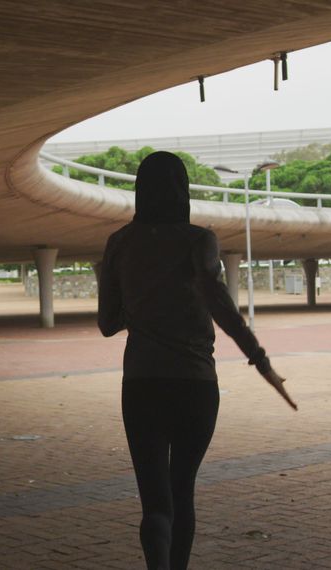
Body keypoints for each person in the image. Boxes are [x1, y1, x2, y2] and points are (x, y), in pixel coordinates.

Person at [96, 151, 297, 570]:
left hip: (142, 383)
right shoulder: (198, 240)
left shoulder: (120, 243)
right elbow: (219, 303)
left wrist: (122, 288)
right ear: (183, 190)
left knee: (155, 504)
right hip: (195, 385)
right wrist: (260, 361)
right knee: (181, 490)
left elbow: (107, 323)